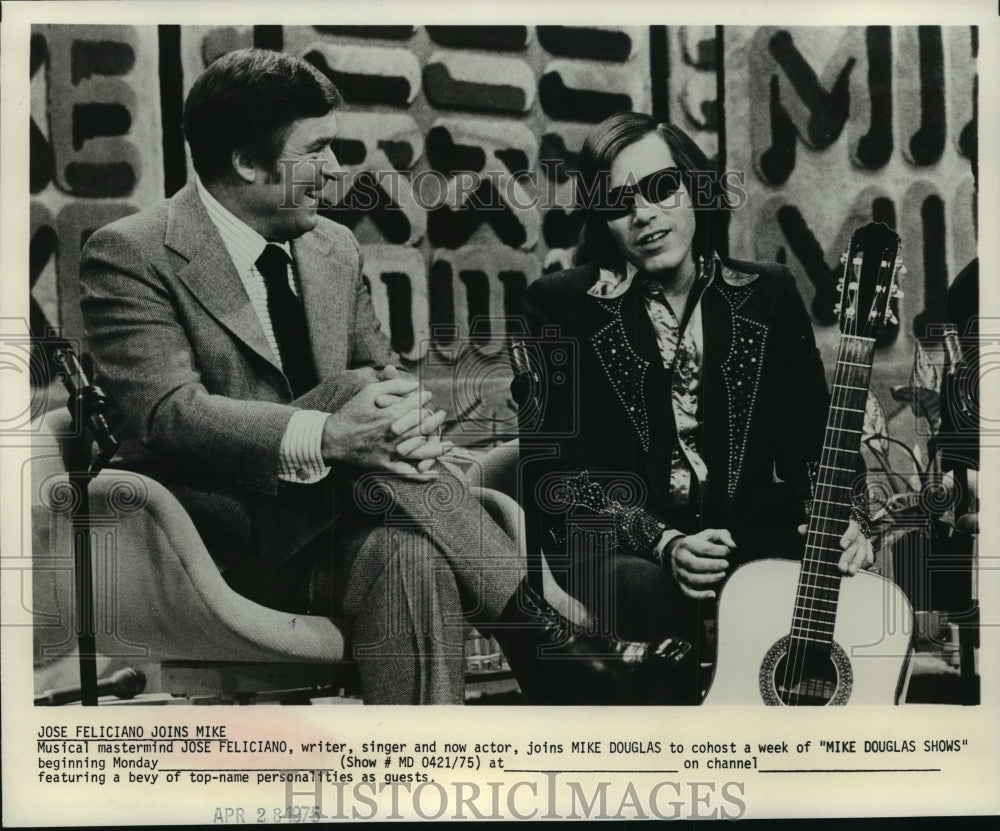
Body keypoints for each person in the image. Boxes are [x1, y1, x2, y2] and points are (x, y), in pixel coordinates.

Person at [77, 50, 692, 705]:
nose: (336, 170)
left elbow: (387, 375)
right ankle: (547, 638)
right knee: (350, 398)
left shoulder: (332, 247)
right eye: (316, 151)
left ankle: (426, 777)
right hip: (217, 551)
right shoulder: (131, 253)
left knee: (410, 555)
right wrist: (333, 434)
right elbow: (167, 412)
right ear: (248, 163)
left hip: (347, 531)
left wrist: (419, 433)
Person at [518, 112, 874, 703]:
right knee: (647, 590)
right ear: (602, 218)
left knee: (844, 582)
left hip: (751, 530)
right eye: (619, 200)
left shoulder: (769, 293)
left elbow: (814, 436)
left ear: (696, 190)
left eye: (661, 188)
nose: (644, 214)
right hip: (623, 548)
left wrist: (847, 518)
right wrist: (665, 542)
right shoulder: (560, 306)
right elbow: (556, 475)